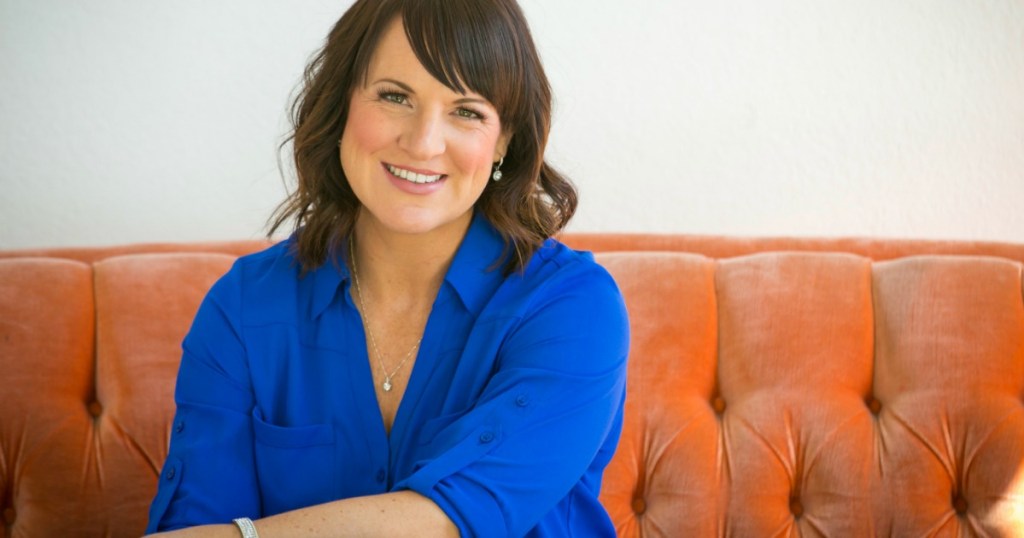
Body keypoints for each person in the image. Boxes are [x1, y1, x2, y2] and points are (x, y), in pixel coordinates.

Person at [145, 0, 629, 536]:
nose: (423, 143)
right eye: (395, 97)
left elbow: (460, 518)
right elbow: (195, 521)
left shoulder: (572, 306)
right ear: (342, 105)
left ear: (504, 142)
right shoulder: (242, 309)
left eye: (467, 111)